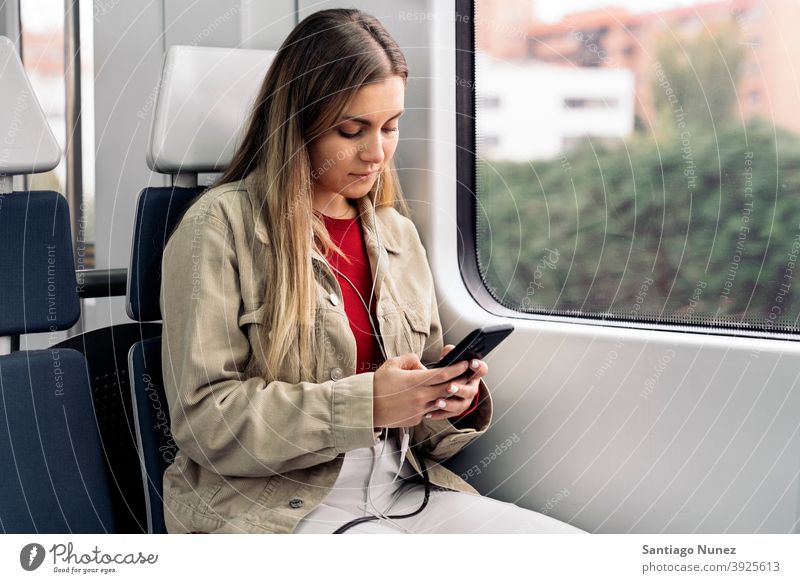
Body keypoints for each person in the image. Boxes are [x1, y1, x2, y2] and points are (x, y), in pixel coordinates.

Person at [160, 8, 584, 534]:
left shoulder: (396, 235)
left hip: (401, 486)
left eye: (390, 127)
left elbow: (419, 421)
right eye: (351, 130)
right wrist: (365, 405)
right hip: (272, 505)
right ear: (299, 126)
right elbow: (204, 423)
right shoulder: (217, 228)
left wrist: (444, 398)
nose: (376, 152)